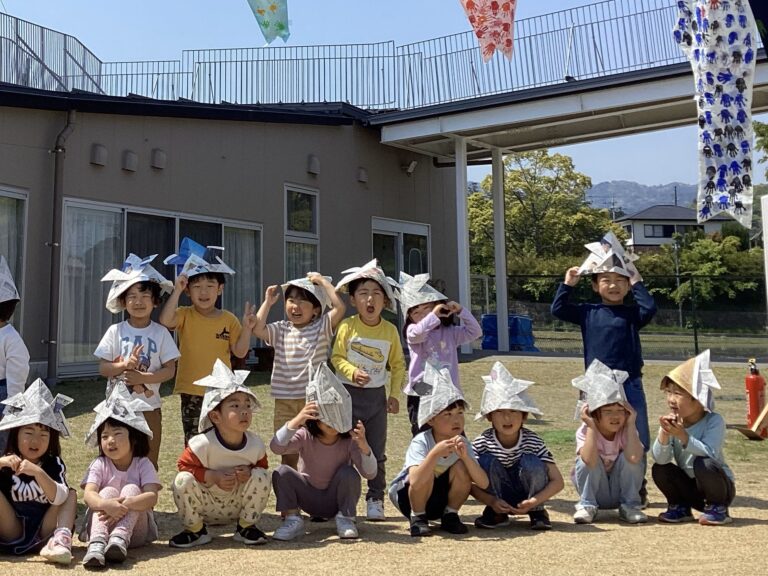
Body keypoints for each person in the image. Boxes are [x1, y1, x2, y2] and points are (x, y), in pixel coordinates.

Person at [550, 232, 656, 502]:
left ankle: (636, 485)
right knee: (594, 432)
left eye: (620, 281)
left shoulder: (633, 314)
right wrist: (569, 284)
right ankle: (596, 486)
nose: (613, 285)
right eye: (606, 280)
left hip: (629, 382)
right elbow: (558, 309)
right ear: (596, 286)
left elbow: (650, 307)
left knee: (637, 431)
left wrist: (636, 278)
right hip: (596, 384)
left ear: (627, 286)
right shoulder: (588, 312)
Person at [160, 238, 254, 444]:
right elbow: (166, 320)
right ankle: (197, 474)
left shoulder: (228, 319)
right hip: (191, 390)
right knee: (194, 440)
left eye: (210, 286)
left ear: (220, 288)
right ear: (188, 291)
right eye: (197, 286)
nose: (204, 292)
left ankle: (218, 473)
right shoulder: (185, 314)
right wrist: (176, 290)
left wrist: (247, 328)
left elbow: (239, 351)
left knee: (223, 437)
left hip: (221, 391)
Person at [331, 259, 405, 521]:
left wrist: (394, 395)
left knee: (376, 450)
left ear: (385, 301)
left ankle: (375, 498)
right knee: (344, 451)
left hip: (376, 399)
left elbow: (397, 365)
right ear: (353, 300)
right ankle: (343, 500)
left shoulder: (390, 330)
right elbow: (336, 358)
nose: (370, 299)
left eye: (376, 294)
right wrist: (351, 371)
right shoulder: (347, 326)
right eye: (363, 293)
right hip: (347, 396)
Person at [170, 360, 270, 548]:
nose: (244, 412)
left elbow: (262, 467)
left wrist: (249, 472)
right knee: (181, 480)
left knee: (262, 476)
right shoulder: (202, 444)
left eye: (247, 405)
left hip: (237, 504)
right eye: (235, 406)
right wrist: (211, 475)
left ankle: (246, 526)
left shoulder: (255, 444)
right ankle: (196, 530)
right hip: (206, 504)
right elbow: (183, 466)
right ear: (215, 416)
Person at [270, 363, 376, 540]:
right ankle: (292, 519)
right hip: (308, 497)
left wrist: (364, 446)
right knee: (282, 472)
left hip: (336, 500)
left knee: (349, 473)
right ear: (315, 418)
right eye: (327, 417)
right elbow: (276, 447)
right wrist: (296, 421)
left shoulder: (349, 440)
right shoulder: (305, 436)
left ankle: (346, 518)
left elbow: (370, 473)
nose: (333, 422)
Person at [96, 253, 180, 468]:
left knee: (147, 459)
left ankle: (145, 500)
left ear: (155, 301)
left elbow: (170, 370)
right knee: (115, 459)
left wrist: (143, 377)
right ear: (123, 301)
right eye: (131, 296)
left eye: (144, 296)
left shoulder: (161, 333)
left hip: (149, 407)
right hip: (116, 409)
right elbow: (103, 368)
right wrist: (123, 365)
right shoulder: (115, 331)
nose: (138, 301)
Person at [252, 273, 345, 468]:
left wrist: (323, 283)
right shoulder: (281, 329)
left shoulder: (321, 327)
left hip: (312, 401)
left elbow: (340, 308)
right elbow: (258, 329)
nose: (296, 306)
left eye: (303, 302)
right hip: (284, 401)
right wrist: (268, 303)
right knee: (288, 451)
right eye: (291, 300)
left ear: (316, 310)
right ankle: (290, 490)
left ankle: (309, 488)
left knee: (313, 451)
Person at [389, 362, 489, 537]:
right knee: (425, 469)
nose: (456, 420)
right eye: (447, 414)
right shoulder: (422, 441)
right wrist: (434, 454)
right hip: (409, 498)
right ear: (431, 420)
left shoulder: (462, 442)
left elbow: (483, 483)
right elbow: (415, 479)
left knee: (461, 467)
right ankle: (418, 518)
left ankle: (450, 514)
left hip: (440, 499)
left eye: (460, 413)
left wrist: (466, 457)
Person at [471, 362, 563, 530]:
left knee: (532, 461)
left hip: (529, 495)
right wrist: (491, 501)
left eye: (514, 411)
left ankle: (537, 512)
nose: (507, 417)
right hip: (497, 497)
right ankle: (496, 512)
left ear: (524, 416)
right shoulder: (482, 442)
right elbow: (469, 483)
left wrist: (535, 501)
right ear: (490, 416)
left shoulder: (533, 441)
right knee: (485, 461)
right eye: (500, 411)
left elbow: (558, 481)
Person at [80, 384, 162, 567]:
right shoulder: (99, 464)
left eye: (117, 434)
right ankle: (97, 544)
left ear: (134, 438)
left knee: (132, 489)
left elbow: (152, 496)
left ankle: (119, 540)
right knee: (107, 491)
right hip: (102, 524)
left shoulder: (143, 464)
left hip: (134, 532)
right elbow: (88, 494)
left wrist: (125, 505)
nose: (111, 440)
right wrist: (105, 504)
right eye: (105, 436)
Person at [652, 350, 735, 525]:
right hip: (691, 489)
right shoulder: (675, 421)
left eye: (678, 393)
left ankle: (718, 508)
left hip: (718, 487)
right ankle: (680, 506)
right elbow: (660, 458)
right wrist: (665, 434)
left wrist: (683, 436)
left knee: (703, 462)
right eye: (668, 392)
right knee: (660, 468)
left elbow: (710, 453)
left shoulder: (714, 420)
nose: (671, 399)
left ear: (698, 399)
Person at [0, 380, 76, 564]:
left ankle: (60, 542)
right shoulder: (7, 462)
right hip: (13, 529)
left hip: (45, 530)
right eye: (28, 433)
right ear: (16, 434)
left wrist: (38, 473)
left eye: (43, 435)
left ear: (51, 439)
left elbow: (59, 497)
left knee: (70, 494)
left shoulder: (53, 463)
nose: (36, 441)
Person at [398, 271, 482, 436]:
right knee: (423, 433)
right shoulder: (412, 331)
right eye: (416, 313)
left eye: (427, 309)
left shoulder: (450, 332)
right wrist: (433, 315)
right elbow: (418, 333)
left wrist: (461, 311)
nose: (423, 316)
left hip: (448, 390)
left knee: (454, 434)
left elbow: (475, 332)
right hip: (421, 388)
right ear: (409, 318)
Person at [571, 360, 646, 524]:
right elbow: (588, 460)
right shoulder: (586, 430)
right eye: (608, 411)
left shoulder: (627, 429)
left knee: (634, 455)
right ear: (594, 413)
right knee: (584, 459)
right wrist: (591, 426)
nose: (615, 416)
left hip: (620, 491)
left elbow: (634, 458)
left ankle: (630, 506)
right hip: (598, 491)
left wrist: (632, 423)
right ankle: (587, 505)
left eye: (620, 411)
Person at [0, 255, 30, 455]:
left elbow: (17, 375)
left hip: (3, 395)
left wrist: (12, 407)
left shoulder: (11, 338)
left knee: (2, 442)